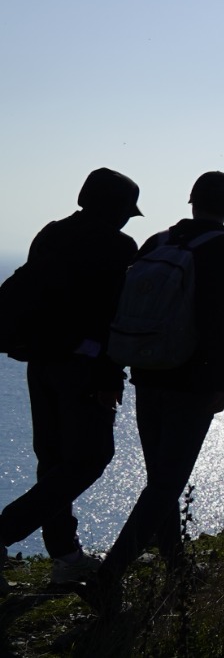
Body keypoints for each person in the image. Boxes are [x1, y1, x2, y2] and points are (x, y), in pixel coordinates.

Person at [94, 171, 224, 612]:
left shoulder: (157, 242)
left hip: (147, 372)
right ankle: (111, 573)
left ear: (191, 201)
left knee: (161, 477)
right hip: (193, 381)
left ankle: (176, 564)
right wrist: (222, 383)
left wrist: (114, 366)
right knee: (166, 481)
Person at [0, 169, 140, 589]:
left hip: (40, 363)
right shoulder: (117, 246)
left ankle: (65, 554)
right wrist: (109, 374)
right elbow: (112, 316)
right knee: (89, 459)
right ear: (114, 207)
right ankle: (8, 533)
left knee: (54, 461)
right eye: (126, 212)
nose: (128, 220)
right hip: (83, 370)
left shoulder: (52, 233)